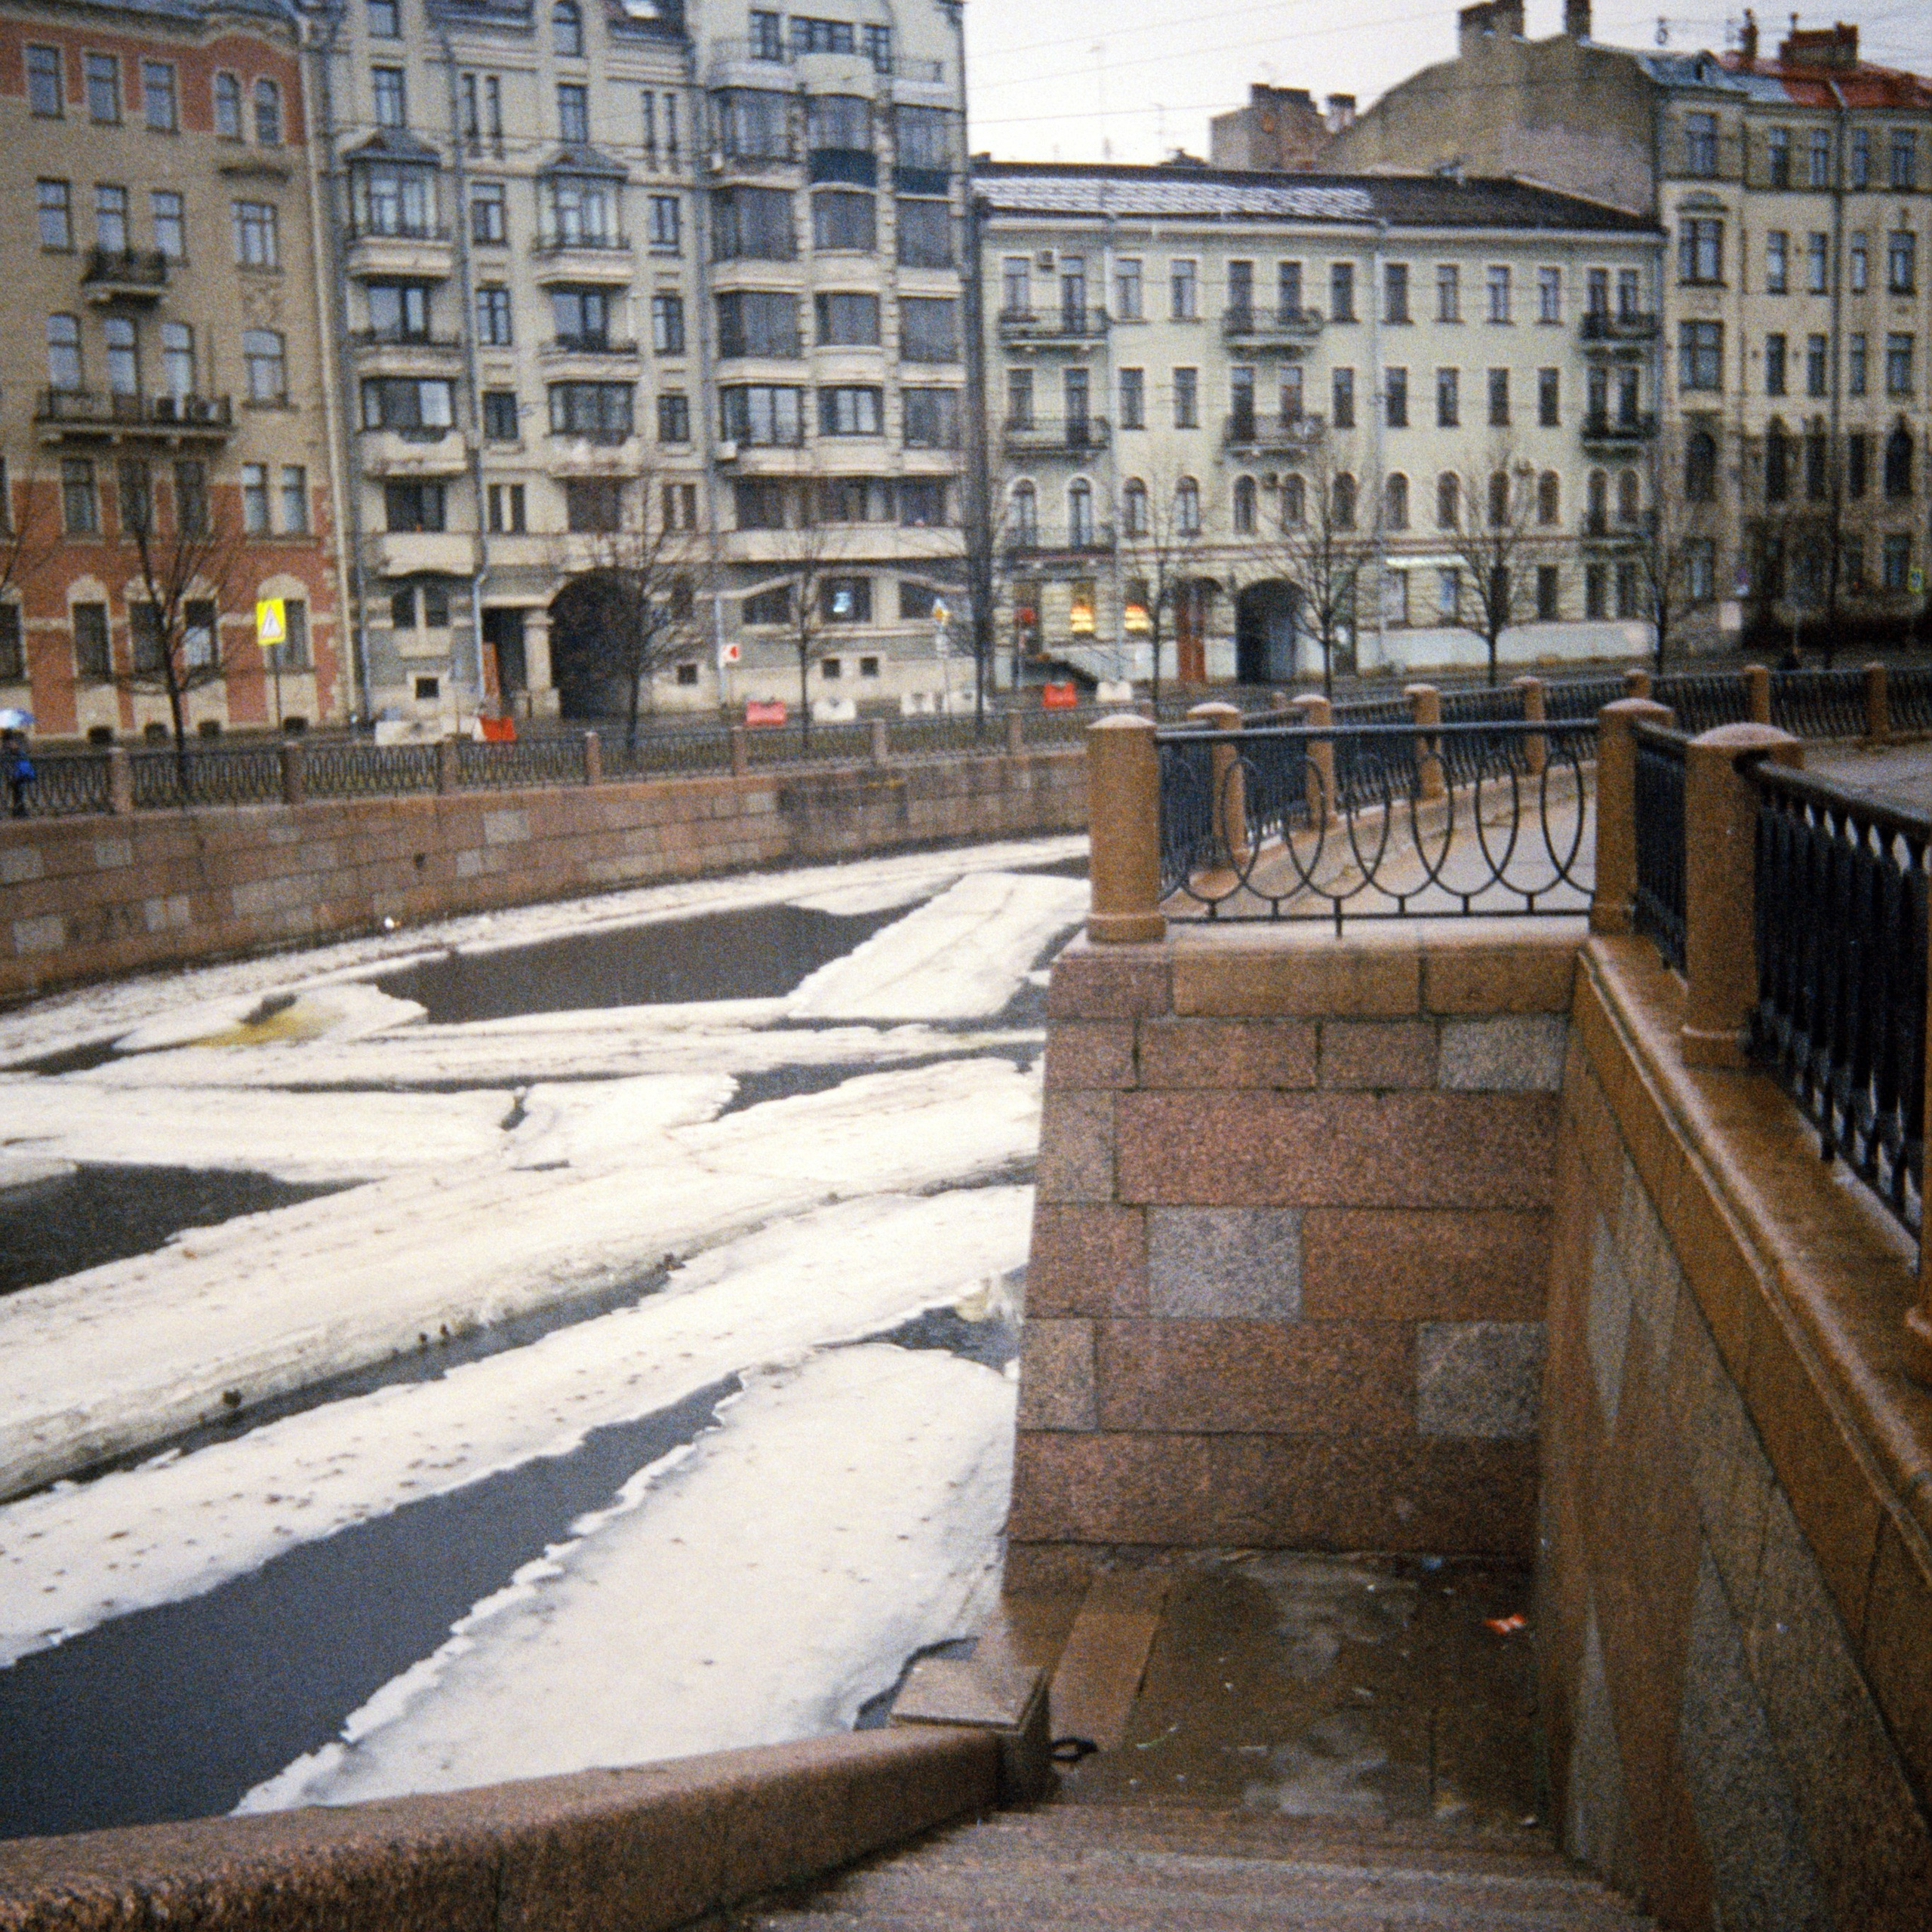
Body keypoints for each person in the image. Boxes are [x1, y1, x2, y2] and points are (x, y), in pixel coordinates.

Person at [3, 730, 32, 817]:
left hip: (18, 774)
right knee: (17, 792)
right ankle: (19, 810)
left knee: (19, 792)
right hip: (15, 774)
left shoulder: (18, 739)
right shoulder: (10, 746)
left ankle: (20, 810)